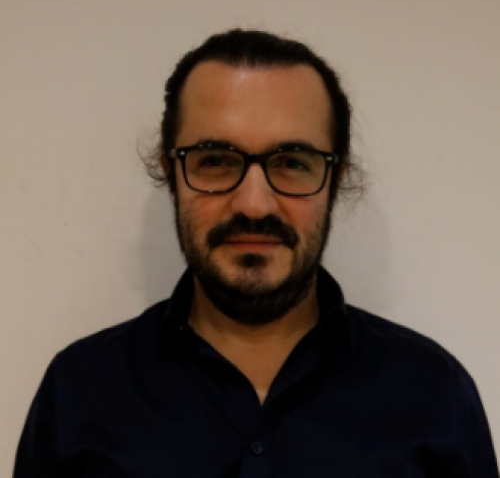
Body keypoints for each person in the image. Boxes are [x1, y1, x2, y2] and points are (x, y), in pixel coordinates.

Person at [14, 29, 498, 477]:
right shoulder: (78, 390)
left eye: (292, 163)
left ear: (335, 179)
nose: (253, 204)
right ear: (171, 174)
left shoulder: (436, 394)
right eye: (215, 161)